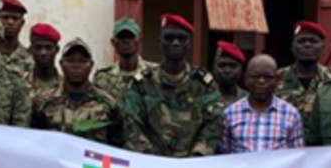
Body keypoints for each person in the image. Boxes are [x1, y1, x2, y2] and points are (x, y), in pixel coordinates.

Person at [124, 14, 222, 157]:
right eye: (169, 38)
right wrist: (150, 158)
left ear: (189, 43)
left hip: (193, 166)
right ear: (159, 42)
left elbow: (214, 123)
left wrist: (198, 155)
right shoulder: (142, 83)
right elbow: (132, 125)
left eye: (181, 38)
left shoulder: (203, 85)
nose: (175, 43)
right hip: (151, 165)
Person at [31, 38, 124, 147]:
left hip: (91, 163)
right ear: (61, 64)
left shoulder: (108, 103)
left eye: (82, 61)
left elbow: (117, 146)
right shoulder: (43, 101)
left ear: (91, 64)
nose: (76, 66)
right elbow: (36, 143)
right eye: (70, 61)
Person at [218, 54, 304, 154]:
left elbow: (297, 156)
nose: (261, 81)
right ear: (246, 79)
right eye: (255, 77)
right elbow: (225, 156)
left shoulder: (291, 114)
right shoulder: (230, 114)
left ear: (277, 80)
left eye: (267, 77)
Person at [277, 21, 331, 122]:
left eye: (313, 41)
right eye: (301, 41)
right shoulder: (276, 78)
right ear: (292, 48)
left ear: (322, 47)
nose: (307, 45)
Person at [93, 18, 156, 102]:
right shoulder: (102, 78)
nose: (126, 41)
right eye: (121, 37)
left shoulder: (155, 74)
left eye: (131, 37)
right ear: (113, 42)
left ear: (139, 40)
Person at [0, 0, 34, 74]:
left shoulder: (30, 59)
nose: (10, 22)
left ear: (22, 23)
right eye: (5, 17)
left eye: (15, 18)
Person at [29, 23, 62, 102]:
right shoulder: (20, 83)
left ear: (56, 50)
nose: (43, 53)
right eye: (38, 47)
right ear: (30, 50)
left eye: (48, 47)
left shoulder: (66, 85)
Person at [214, 41, 248, 106]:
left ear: (241, 70)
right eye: (222, 65)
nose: (227, 71)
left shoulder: (249, 100)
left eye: (233, 66)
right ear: (214, 69)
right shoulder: (204, 98)